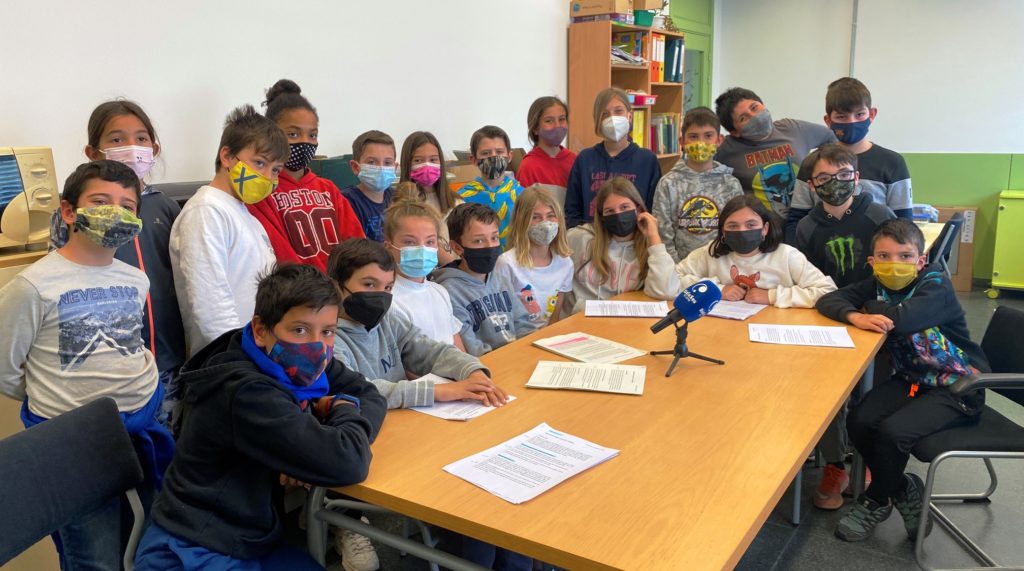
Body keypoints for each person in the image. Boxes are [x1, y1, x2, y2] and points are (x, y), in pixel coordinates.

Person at [134, 263, 387, 570]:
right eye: (300, 329)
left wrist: (308, 443)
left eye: (328, 331)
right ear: (260, 330)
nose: (317, 345)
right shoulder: (246, 392)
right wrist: (341, 410)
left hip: (246, 535)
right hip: (194, 547)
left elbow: (370, 395)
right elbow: (349, 462)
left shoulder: (299, 358)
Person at [1, 161, 172, 569]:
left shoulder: (136, 280)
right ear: (68, 211)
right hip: (74, 444)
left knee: (149, 541)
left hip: (141, 425)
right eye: (100, 201)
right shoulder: (32, 286)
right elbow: (6, 368)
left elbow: (130, 344)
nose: (115, 211)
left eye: (127, 205)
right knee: (94, 556)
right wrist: (57, 395)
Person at [816, 219, 989, 542]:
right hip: (914, 380)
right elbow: (828, 300)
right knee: (859, 420)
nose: (894, 263)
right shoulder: (876, 283)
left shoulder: (936, 284)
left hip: (960, 387)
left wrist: (872, 306)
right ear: (872, 261)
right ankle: (901, 487)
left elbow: (903, 319)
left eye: (905, 256)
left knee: (893, 433)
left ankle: (877, 499)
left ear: (920, 260)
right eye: (884, 256)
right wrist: (856, 315)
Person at [49, 99, 186, 428]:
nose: (131, 146)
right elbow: (58, 285)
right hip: (103, 366)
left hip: (167, 358)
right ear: (92, 152)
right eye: (116, 139)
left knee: (165, 442)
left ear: (153, 149)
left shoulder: (167, 208)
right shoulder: (76, 214)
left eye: (141, 138)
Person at [794, 144, 895, 509]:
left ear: (856, 177)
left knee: (870, 395)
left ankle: (865, 459)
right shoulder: (806, 227)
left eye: (842, 175)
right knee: (829, 395)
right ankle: (835, 465)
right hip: (830, 316)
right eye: (823, 177)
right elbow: (807, 278)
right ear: (811, 185)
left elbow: (895, 269)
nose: (834, 183)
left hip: (875, 316)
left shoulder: (879, 215)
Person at [328, 238, 508, 408]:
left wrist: (472, 371)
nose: (380, 295)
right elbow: (358, 390)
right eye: (369, 284)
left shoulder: (387, 321)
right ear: (337, 285)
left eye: (388, 287)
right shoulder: (327, 338)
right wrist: (437, 392)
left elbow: (431, 351)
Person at [170, 104, 286, 356]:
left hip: (257, 351)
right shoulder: (206, 210)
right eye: (259, 163)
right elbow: (210, 303)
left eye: (275, 169)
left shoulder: (246, 215)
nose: (268, 177)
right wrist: (239, 358)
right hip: (228, 359)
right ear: (227, 157)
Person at [248, 79, 365, 271]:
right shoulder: (263, 189)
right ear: (272, 135)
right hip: (296, 287)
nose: (305, 142)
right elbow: (280, 253)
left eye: (312, 135)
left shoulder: (328, 189)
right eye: (293, 134)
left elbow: (356, 245)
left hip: (339, 286)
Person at [787, 77, 914, 237]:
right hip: (820, 251)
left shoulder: (893, 163)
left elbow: (904, 224)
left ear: (872, 114)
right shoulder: (812, 163)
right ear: (828, 120)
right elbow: (796, 220)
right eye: (842, 117)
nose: (852, 122)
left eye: (859, 114)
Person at [672, 194, 836, 307]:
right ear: (723, 231)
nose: (742, 231)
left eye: (751, 225)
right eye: (733, 226)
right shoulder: (710, 252)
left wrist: (771, 296)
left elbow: (827, 291)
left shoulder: (787, 256)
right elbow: (671, 281)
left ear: (765, 229)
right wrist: (716, 290)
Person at [713, 87, 836, 219]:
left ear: (763, 104)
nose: (754, 116)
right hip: (764, 228)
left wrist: (818, 169)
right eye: (743, 118)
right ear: (734, 133)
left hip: (807, 222)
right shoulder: (727, 148)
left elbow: (832, 137)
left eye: (754, 107)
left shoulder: (792, 129)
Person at [566, 176, 677, 313]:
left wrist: (654, 238)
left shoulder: (650, 247)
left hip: (625, 320)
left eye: (624, 207)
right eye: (610, 211)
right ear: (601, 217)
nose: (618, 215)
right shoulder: (580, 238)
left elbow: (666, 291)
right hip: (581, 319)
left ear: (638, 209)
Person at [434, 203, 532, 356]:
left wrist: (529, 350)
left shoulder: (500, 279)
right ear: (457, 248)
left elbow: (523, 324)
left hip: (520, 357)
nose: (490, 246)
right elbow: (471, 348)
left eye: (494, 238)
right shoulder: (449, 291)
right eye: (479, 241)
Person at [652, 106, 743, 263]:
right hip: (680, 267)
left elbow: (737, 229)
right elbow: (663, 233)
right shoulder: (668, 183)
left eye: (708, 136)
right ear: (682, 141)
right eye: (693, 136)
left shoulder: (730, 184)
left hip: (722, 265)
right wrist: (677, 269)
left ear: (719, 140)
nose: (701, 142)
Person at [565, 87, 661, 227]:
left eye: (618, 111)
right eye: (605, 114)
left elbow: (653, 210)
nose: (612, 118)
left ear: (629, 116)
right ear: (598, 121)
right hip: (592, 236)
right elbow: (572, 210)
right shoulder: (585, 159)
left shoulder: (647, 160)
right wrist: (582, 236)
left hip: (635, 237)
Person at [383, 196, 466, 349]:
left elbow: (455, 341)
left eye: (429, 242)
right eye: (410, 242)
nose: (422, 249)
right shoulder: (389, 302)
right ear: (389, 247)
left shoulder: (440, 291)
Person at [493, 186, 574, 331]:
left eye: (551, 216)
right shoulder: (506, 263)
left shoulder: (565, 263)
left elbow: (554, 318)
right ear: (522, 221)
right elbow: (502, 315)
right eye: (535, 217)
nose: (545, 224)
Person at [397, 131, 461, 264]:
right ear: (407, 164)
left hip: (453, 271)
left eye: (433, 160)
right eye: (418, 160)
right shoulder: (399, 204)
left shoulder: (457, 203)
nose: (427, 165)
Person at [456, 125, 523, 249]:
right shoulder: (462, 198)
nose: (493, 157)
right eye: (486, 153)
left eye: (499, 152)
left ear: (509, 156)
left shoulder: (522, 195)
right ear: (473, 159)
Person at [516, 96, 577, 204]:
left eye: (562, 119)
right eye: (549, 121)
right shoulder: (528, 166)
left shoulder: (575, 160)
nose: (557, 126)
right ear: (535, 128)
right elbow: (524, 208)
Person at [342, 130, 398, 242]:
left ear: (395, 168)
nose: (381, 168)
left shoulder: (397, 198)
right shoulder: (346, 202)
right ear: (355, 167)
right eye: (371, 162)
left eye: (387, 163)